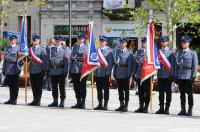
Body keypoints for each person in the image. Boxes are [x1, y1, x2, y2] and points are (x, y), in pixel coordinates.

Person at [175, 36, 198, 116]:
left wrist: (193, 76)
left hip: (188, 76)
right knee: (182, 94)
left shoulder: (192, 53)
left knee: (189, 94)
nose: (183, 44)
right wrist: (176, 76)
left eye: (184, 43)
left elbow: (195, 66)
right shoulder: (179, 53)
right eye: (182, 43)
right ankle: (183, 109)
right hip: (180, 75)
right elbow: (176, 65)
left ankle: (190, 110)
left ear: (188, 43)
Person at [155, 36, 175, 114]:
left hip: (167, 75)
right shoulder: (158, 52)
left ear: (167, 42)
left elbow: (173, 65)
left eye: (164, 41)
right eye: (161, 41)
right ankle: (161, 108)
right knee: (160, 93)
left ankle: (167, 108)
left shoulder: (171, 52)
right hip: (160, 74)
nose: (162, 43)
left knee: (168, 92)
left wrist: (172, 75)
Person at [47, 35, 69, 108]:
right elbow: (49, 60)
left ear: (61, 42)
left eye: (58, 41)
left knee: (61, 87)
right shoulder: (52, 49)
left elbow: (66, 61)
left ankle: (62, 101)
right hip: (53, 70)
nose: (57, 42)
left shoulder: (64, 50)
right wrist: (48, 70)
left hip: (61, 71)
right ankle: (55, 101)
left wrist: (65, 72)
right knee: (54, 87)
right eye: (56, 41)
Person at [94, 35, 114, 110]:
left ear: (105, 42)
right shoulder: (97, 50)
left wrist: (108, 73)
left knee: (106, 90)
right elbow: (94, 63)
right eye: (101, 41)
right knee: (99, 90)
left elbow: (110, 63)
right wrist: (95, 72)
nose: (101, 42)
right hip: (98, 74)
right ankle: (100, 103)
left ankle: (105, 104)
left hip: (105, 74)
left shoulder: (109, 51)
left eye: (103, 41)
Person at [114, 37, 133, 112]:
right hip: (119, 73)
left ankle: (126, 105)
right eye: (120, 43)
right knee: (120, 90)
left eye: (123, 43)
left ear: (126, 43)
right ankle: (121, 104)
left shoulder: (129, 53)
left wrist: (128, 74)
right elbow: (115, 64)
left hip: (125, 74)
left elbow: (130, 65)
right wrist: (114, 72)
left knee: (126, 90)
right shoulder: (117, 51)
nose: (121, 44)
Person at [28, 34, 47, 106]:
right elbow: (28, 58)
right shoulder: (30, 49)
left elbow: (44, 61)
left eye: (35, 40)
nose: (33, 41)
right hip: (32, 69)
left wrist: (44, 70)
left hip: (39, 70)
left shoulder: (42, 49)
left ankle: (38, 100)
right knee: (33, 86)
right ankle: (34, 99)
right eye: (33, 40)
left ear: (38, 41)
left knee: (39, 86)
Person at [70, 33, 88, 109]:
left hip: (82, 69)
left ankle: (83, 103)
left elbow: (87, 58)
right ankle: (78, 102)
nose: (79, 40)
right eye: (78, 38)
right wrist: (70, 69)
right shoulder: (74, 46)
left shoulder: (86, 47)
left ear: (83, 40)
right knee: (76, 87)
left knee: (82, 87)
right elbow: (71, 58)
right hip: (74, 69)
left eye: (80, 39)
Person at [134, 37, 151, 113]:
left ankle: (146, 107)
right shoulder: (138, 52)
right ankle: (141, 106)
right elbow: (135, 63)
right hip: (139, 74)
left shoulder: (150, 52)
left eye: (144, 42)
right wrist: (134, 74)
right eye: (142, 42)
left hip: (147, 75)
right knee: (140, 92)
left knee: (147, 92)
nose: (143, 43)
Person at [3, 35, 21, 105]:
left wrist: (9, 58)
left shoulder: (18, 49)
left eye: (12, 39)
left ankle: (14, 99)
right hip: (8, 70)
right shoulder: (7, 48)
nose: (11, 40)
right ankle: (11, 99)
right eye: (10, 39)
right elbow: (5, 59)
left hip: (15, 69)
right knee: (10, 86)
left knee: (15, 86)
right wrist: (4, 69)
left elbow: (18, 60)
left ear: (15, 40)